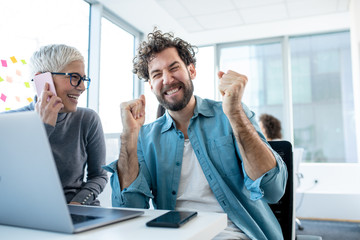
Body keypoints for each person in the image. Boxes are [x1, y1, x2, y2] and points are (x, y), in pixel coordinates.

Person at [104, 30, 287, 240]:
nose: (167, 79)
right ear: (151, 85)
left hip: (236, 234)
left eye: (174, 68)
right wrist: (129, 136)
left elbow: (273, 190)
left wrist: (235, 114)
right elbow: (129, 209)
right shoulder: (145, 137)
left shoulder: (231, 113)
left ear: (191, 70)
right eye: (157, 74)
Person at [3, 44, 108, 206]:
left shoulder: (87, 119)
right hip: (28, 212)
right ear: (42, 80)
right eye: (74, 77)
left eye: (83, 79)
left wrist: (77, 204)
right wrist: (43, 127)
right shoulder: (8, 123)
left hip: (79, 210)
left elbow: (99, 175)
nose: (81, 87)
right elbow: (13, 181)